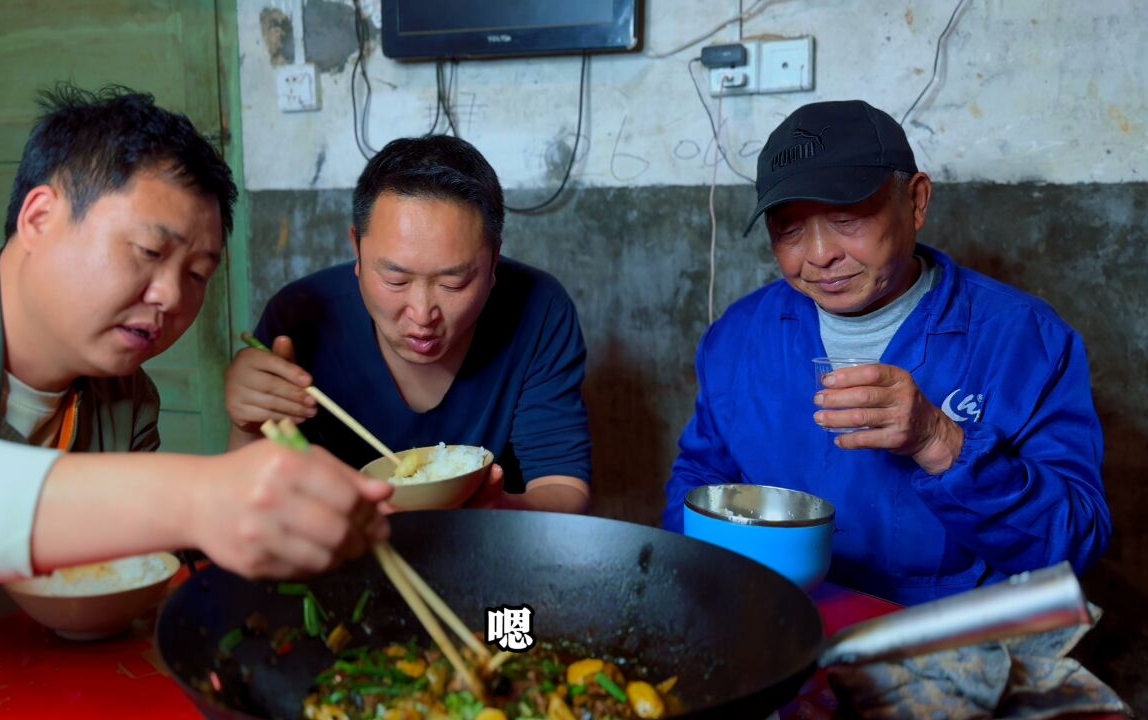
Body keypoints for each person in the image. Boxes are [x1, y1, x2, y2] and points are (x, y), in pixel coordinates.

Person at [0, 85, 390, 676]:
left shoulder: (125, 398)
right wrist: (199, 496)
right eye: (147, 250)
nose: (171, 296)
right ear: (39, 217)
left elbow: (126, 585)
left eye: (197, 273)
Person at [663, 99, 1110, 604]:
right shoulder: (740, 337)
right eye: (789, 229)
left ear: (916, 201)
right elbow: (700, 481)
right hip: (781, 619)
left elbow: (1076, 543)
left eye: (846, 218)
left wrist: (940, 441)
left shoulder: (1025, 340)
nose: (819, 254)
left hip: (950, 637)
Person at [225, 135, 591, 512]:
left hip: (486, 548)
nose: (421, 313)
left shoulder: (540, 309)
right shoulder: (300, 316)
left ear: (494, 261)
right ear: (358, 249)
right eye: (395, 280)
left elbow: (563, 487)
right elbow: (249, 503)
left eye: (453, 283)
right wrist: (247, 425)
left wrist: (494, 510)